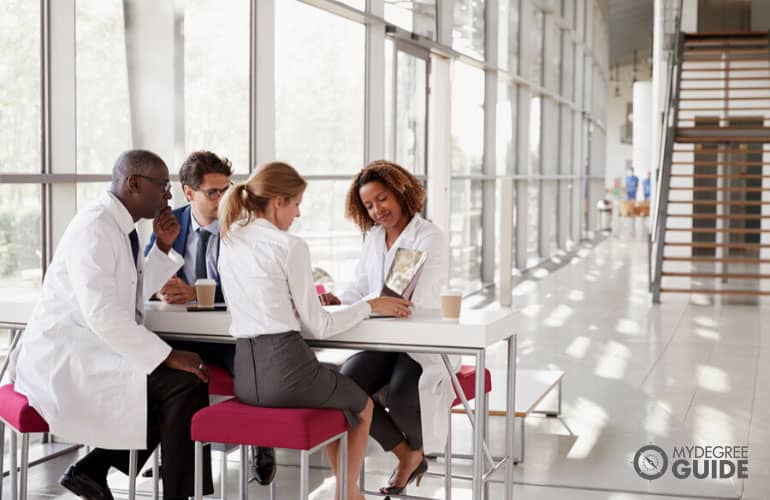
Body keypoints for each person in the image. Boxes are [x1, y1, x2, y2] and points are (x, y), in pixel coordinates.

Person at [12, 150, 213, 500]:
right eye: (163, 186)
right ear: (134, 183)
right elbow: (103, 314)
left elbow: (128, 290)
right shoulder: (96, 227)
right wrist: (167, 355)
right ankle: (166, 490)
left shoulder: (119, 226)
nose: (169, 196)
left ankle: (93, 470)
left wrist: (163, 248)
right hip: (67, 358)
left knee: (184, 384)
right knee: (184, 384)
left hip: (95, 348)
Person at [217, 161, 413, 500]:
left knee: (336, 386)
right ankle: (348, 492)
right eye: (296, 204)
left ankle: (349, 491)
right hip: (287, 371)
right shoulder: (290, 245)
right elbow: (319, 325)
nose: (298, 214)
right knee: (361, 403)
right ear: (278, 201)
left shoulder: (231, 238)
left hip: (247, 377)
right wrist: (370, 306)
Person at [320, 160, 461, 495]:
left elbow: (404, 296)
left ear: (401, 191)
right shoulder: (373, 237)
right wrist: (340, 299)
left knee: (401, 395)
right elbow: (363, 285)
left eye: (382, 199)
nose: (376, 210)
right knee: (345, 387)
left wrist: (365, 305)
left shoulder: (427, 237)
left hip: (418, 338)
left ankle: (416, 450)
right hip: (383, 336)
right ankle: (408, 455)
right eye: (368, 205)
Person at [144, 150, 275, 485]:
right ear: (189, 193)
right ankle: (179, 457)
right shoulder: (170, 222)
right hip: (184, 335)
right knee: (161, 373)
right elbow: (144, 279)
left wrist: (198, 294)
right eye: (212, 192)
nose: (222, 198)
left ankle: (261, 442)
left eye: (225, 190)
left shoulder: (244, 225)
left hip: (232, 335)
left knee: (252, 373)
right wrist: (161, 287)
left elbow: (253, 287)